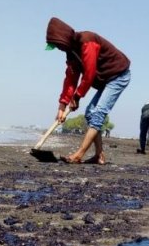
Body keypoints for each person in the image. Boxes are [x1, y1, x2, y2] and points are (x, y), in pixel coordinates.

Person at [46, 17, 131, 165]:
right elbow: (71, 79)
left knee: (98, 113)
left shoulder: (87, 41)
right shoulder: (71, 53)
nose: (58, 49)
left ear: (63, 38)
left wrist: (77, 97)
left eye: (57, 45)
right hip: (105, 80)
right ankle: (99, 155)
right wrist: (62, 105)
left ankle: (79, 154)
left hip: (118, 75)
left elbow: (89, 74)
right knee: (90, 113)